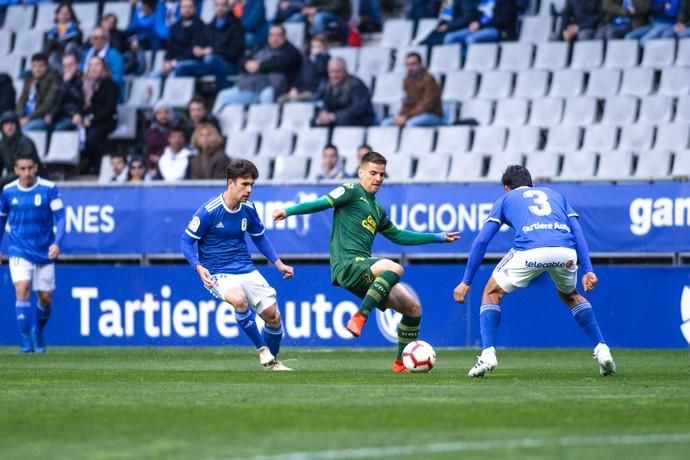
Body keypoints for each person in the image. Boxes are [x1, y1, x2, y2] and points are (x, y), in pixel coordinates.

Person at [273, 152, 459, 372]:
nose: (378, 178)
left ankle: (400, 364)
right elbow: (321, 203)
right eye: (373, 173)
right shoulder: (351, 191)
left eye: (382, 174)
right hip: (347, 264)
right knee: (395, 267)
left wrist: (436, 237)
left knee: (413, 308)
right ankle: (360, 316)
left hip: (364, 272)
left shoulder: (378, 210)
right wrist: (288, 211)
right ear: (361, 172)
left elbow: (399, 235)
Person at [452, 165, 616, 378]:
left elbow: (482, 240)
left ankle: (488, 354)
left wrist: (466, 281)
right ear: (532, 184)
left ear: (506, 188)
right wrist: (588, 270)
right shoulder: (556, 195)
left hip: (530, 250)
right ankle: (602, 349)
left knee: (491, 292)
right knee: (571, 294)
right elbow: (577, 231)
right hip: (564, 251)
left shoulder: (505, 199)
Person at [180, 159, 294, 370]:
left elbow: (259, 237)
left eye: (252, 184)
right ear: (230, 183)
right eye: (245, 184)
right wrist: (197, 266)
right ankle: (262, 350)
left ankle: (272, 364)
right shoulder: (209, 211)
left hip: (245, 268)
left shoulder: (249, 209)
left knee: (273, 317)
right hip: (217, 272)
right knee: (239, 301)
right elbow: (186, 242)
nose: (249, 189)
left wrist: (279, 264)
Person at [0, 152, 66, 353]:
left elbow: (61, 218)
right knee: (22, 288)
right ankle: (26, 338)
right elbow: (2, 220)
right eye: (22, 169)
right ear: (15, 170)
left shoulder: (49, 189)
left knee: (45, 298)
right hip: (18, 249)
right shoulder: (8, 191)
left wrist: (57, 243)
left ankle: (38, 331)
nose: (26, 172)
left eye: (30, 168)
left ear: (36, 168)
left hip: (44, 251)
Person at [212, 24, 302, 112]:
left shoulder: (291, 51)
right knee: (223, 95)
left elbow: (282, 62)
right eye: (272, 35)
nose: (275, 38)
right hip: (250, 86)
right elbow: (242, 60)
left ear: (284, 37)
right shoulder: (260, 47)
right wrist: (246, 64)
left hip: (272, 87)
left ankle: (266, 125)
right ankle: (211, 123)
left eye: (278, 35)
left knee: (267, 96)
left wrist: (259, 66)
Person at [175, 0, 245, 90]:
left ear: (228, 7)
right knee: (182, 68)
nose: (220, 8)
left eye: (223, 5)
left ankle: (223, 94)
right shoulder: (209, 27)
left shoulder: (236, 26)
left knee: (211, 59)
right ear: (214, 7)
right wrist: (198, 50)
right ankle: (195, 101)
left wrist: (213, 51)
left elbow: (235, 52)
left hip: (230, 65)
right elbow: (202, 46)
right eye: (217, 5)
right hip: (208, 64)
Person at [74, 56, 119, 174]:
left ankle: (97, 167)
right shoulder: (83, 86)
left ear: (104, 68)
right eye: (91, 65)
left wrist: (92, 120)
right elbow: (80, 104)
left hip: (105, 120)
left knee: (92, 139)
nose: (93, 68)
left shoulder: (110, 85)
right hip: (86, 120)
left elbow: (109, 108)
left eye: (97, 65)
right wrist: (78, 114)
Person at [381, 52, 443, 128]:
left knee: (411, 124)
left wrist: (407, 117)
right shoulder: (406, 80)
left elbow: (427, 105)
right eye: (407, 65)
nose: (410, 68)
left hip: (432, 115)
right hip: (412, 115)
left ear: (420, 64)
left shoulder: (429, 79)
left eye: (413, 64)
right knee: (385, 124)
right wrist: (400, 116)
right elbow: (406, 102)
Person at [312, 57, 375, 127]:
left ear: (345, 71)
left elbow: (357, 111)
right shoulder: (329, 87)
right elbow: (326, 106)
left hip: (359, 124)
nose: (334, 75)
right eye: (331, 72)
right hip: (339, 123)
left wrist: (334, 117)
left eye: (337, 72)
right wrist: (323, 115)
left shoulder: (357, 85)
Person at [442, 0, 518, 48]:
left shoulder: (507, 1)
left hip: (498, 30)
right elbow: (477, 15)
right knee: (450, 38)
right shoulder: (484, 1)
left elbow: (502, 20)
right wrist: (474, 23)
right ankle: (461, 62)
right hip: (480, 28)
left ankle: (472, 63)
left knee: (471, 39)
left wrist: (480, 25)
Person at [277, 35, 330, 104]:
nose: (315, 49)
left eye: (318, 47)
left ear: (324, 48)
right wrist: (294, 88)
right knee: (281, 99)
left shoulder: (327, 60)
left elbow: (321, 71)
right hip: (301, 90)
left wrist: (318, 57)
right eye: (313, 47)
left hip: (313, 91)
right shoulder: (307, 61)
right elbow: (299, 77)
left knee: (294, 101)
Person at [16, 53, 60, 132]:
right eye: (34, 66)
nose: (37, 70)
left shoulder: (53, 79)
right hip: (23, 117)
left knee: (24, 130)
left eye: (41, 66)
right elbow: (22, 100)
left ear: (47, 67)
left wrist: (28, 118)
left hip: (40, 118)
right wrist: (19, 117)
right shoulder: (29, 79)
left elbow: (47, 105)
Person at [82, 27, 125, 98]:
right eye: (95, 38)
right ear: (91, 40)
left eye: (102, 37)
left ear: (107, 39)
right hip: (87, 90)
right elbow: (82, 73)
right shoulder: (86, 54)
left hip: (109, 93)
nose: (99, 40)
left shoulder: (115, 55)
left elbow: (117, 79)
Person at [0, 112, 40, 189]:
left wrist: (2, 181)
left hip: (31, 182)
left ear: (17, 126)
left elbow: (25, 170)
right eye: (6, 124)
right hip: (10, 182)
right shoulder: (2, 144)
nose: (9, 127)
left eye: (12, 124)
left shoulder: (25, 142)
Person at [47, 52, 83, 131]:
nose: (68, 68)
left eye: (71, 65)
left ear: (77, 65)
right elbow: (56, 101)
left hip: (75, 116)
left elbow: (80, 100)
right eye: (65, 66)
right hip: (59, 115)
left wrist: (67, 83)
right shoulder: (59, 80)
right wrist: (51, 114)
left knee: (58, 129)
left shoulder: (82, 79)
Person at [44, 2, 83, 71]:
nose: (64, 15)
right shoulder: (52, 32)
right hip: (60, 58)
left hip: (75, 57)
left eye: (67, 13)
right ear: (57, 15)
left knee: (70, 46)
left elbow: (75, 45)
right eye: (61, 13)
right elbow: (47, 50)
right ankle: (65, 72)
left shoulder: (76, 30)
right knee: (52, 58)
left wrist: (57, 43)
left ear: (71, 15)